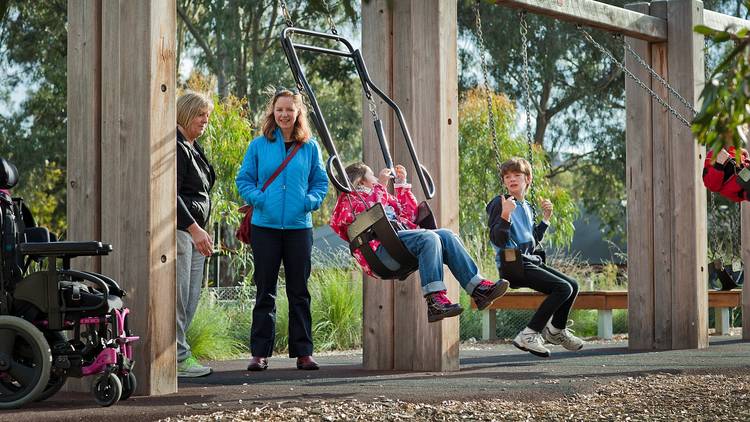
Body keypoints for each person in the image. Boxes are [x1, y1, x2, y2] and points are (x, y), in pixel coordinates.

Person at [330, 162, 509, 322]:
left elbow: (409, 214)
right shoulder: (349, 201)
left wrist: (401, 186)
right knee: (428, 237)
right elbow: (355, 216)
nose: (377, 179)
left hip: (399, 243)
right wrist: (382, 185)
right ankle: (435, 300)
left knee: (446, 235)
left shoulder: (381, 195)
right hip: (381, 253)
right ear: (361, 182)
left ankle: (478, 288)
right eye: (373, 176)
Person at [236, 88, 328, 371]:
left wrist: (308, 202)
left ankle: (304, 353)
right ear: (272, 113)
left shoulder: (310, 147)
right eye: (279, 110)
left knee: (299, 290)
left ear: (298, 112)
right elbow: (244, 180)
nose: (284, 114)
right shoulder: (259, 145)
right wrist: (259, 200)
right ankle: (259, 354)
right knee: (265, 290)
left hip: (300, 228)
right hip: (265, 227)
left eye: (290, 109)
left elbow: (321, 183)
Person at [486, 157, 583, 358]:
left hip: (528, 260)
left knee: (572, 285)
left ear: (527, 179)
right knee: (562, 288)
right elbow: (498, 238)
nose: (512, 179)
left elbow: (532, 240)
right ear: (503, 181)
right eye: (507, 176)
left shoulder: (527, 206)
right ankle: (529, 334)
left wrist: (546, 219)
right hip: (513, 263)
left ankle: (556, 330)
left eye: (517, 175)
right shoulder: (501, 203)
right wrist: (505, 215)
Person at [176, 91, 215, 377]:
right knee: (178, 298)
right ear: (187, 113)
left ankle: (178, 353)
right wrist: (194, 227)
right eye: (201, 114)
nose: (205, 120)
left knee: (190, 298)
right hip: (182, 231)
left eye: (207, 116)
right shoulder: (176, 146)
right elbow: (171, 194)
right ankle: (178, 358)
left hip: (196, 234)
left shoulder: (193, 146)